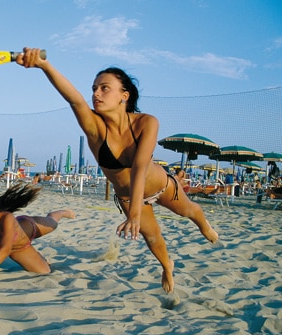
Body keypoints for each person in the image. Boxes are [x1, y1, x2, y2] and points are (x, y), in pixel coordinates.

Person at [17, 48, 218, 293]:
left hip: (163, 186)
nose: (96, 94)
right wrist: (44, 66)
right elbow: (74, 100)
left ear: (124, 95)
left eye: (104, 88)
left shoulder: (147, 122)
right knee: (152, 238)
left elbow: (141, 167)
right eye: (94, 88)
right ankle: (167, 267)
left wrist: (133, 215)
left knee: (189, 210)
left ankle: (203, 224)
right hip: (128, 196)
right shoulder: (95, 129)